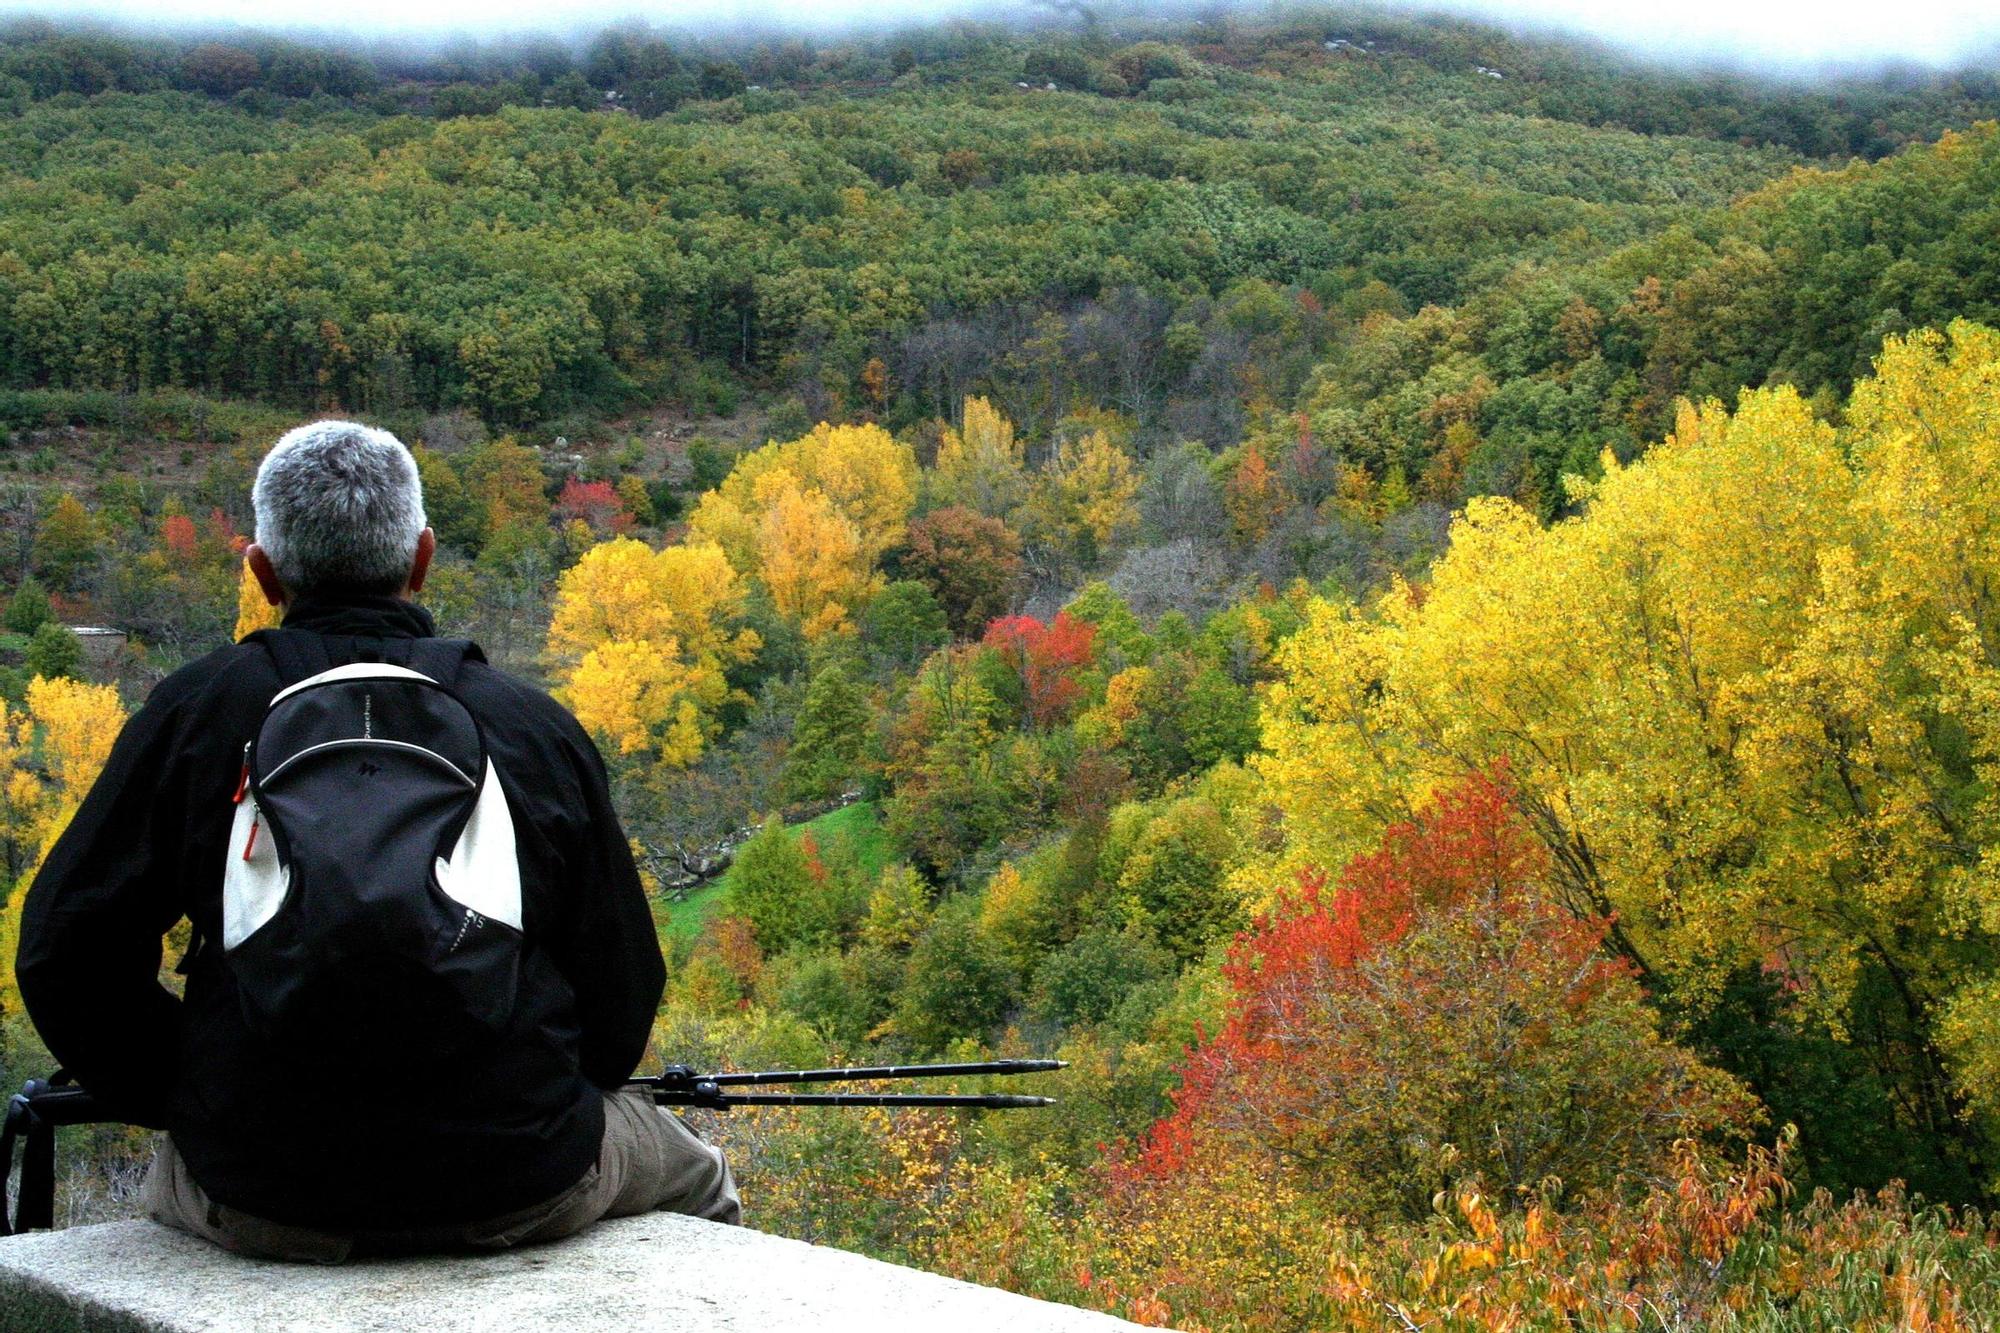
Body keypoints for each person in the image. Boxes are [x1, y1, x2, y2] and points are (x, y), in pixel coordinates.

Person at [14, 420, 738, 1263]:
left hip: (259, 1184)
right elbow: (622, 996)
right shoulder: (529, 725)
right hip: (520, 1169)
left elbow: (63, 951)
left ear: (262, 572)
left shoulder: (195, 714)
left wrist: (191, 1088)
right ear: (422, 557)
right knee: (699, 1176)